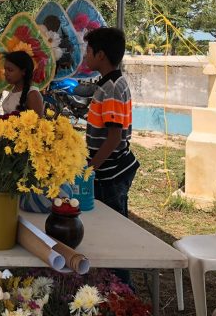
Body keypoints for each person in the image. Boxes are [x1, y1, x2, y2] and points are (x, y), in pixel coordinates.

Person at [84, 27, 138, 287]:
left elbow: (114, 137)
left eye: (89, 51)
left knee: (114, 232)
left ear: (101, 55)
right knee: (107, 230)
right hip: (106, 168)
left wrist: (90, 168)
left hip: (111, 171)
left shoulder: (113, 88)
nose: (85, 56)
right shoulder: (107, 83)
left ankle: (122, 289)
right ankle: (110, 285)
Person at [1, 51, 44, 117]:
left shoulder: (33, 95)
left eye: (10, 70)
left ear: (23, 71)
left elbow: (38, 124)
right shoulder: (14, 89)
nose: (5, 74)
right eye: (5, 69)